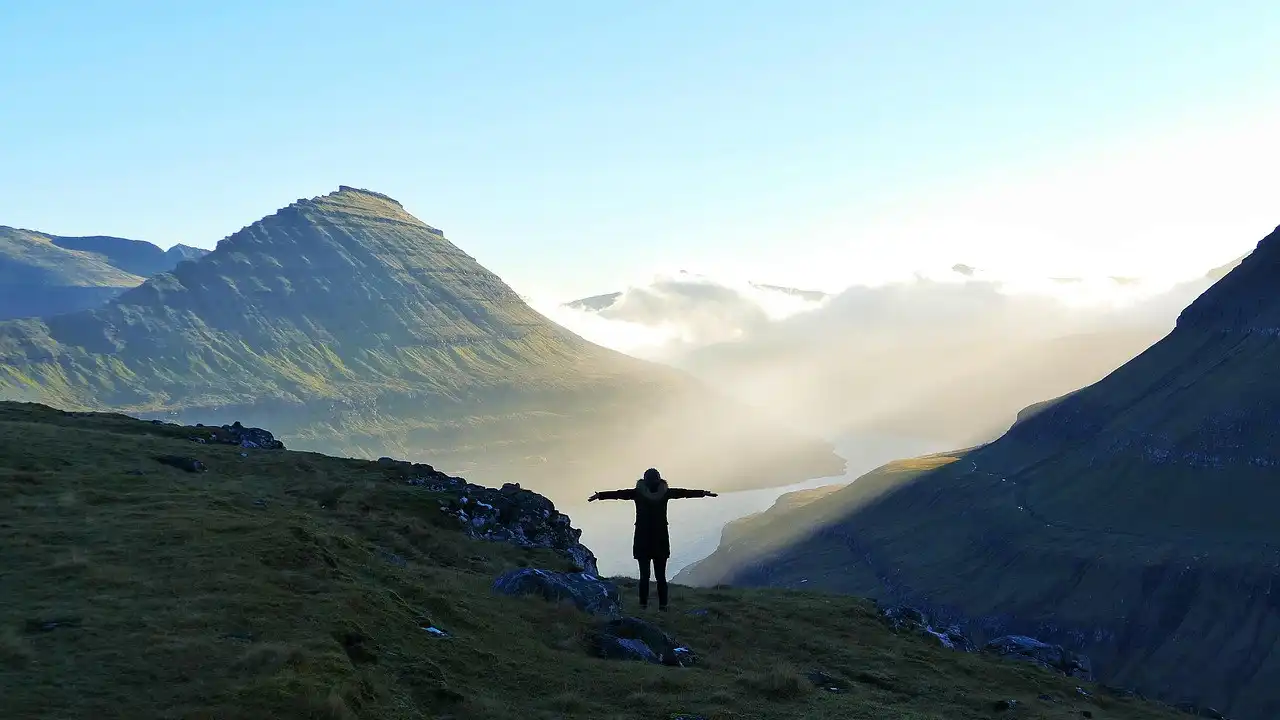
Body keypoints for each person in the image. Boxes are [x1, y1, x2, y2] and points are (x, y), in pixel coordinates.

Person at [588, 468, 718, 611]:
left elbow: (619, 494)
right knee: (661, 577)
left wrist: (600, 495)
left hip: (642, 539)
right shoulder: (665, 492)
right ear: (659, 479)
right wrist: (703, 493)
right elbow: (684, 493)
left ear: (644, 480)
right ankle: (663, 606)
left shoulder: (638, 493)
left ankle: (643, 605)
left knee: (644, 576)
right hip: (660, 539)